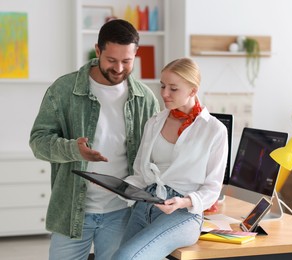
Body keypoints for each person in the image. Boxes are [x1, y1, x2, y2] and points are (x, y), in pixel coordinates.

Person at [29, 19, 160, 260]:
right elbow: (38, 142)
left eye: (126, 61)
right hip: (72, 211)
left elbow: (156, 154)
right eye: (111, 60)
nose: (119, 68)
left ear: (135, 54)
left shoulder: (145, 98)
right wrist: (73, 150)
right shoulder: (64, 90)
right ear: (98, 50)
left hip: (122, 212)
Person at [112, 58, 228, 260]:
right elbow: (140, 173)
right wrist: (121, 187)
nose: (164, 94)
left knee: (125, 257)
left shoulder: (214, 130)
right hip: (146, 202)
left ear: (193, 90)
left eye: (173, 89)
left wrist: (183, 202)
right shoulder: (155, 122)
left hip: (183, 213)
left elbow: (212, 188)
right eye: (163, 86)